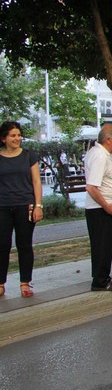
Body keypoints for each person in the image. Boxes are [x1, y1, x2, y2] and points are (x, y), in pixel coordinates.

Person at [0, 122, 43, 298]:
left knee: (24, 245)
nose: (17, 138)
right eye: (13, 135)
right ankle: (1, 283)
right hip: (2, 206)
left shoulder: (28, 155)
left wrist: (38, 205)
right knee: (2, 245)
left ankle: (25, 282)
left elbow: (36, 181)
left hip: (25, 205)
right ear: (3, 138)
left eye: (18, 135)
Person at [84, 123, 112, 292]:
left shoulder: (102, 153)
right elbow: (92, 187)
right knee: (102, 244)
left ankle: (103, 275)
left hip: (103, 207)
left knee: (105, 244)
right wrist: (106, 206)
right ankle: (100, 280)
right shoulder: (99, 155)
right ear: (109, 139)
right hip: (100, 209)